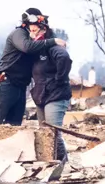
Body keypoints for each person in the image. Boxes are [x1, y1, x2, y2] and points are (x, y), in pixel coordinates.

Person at [0, 8, 67, 126]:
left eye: (37, 25)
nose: (34, 28)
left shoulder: (36, 40)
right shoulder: (19, 34)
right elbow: (27, 47)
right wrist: (53, 41)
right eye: (32, 25)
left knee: (14, 125)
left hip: (21, 86)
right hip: (6, 83)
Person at [26, 18, 72, 162]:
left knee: (53, 133)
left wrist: (59, 79)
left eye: (35, 30)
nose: (32, 34)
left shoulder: (53, 46)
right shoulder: (35, 49)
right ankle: (49, 163)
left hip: (56, 94)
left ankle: (63, 163)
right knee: (45, 134)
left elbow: (64, 58)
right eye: (30, 31)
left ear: (44, 30)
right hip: (41, 95)